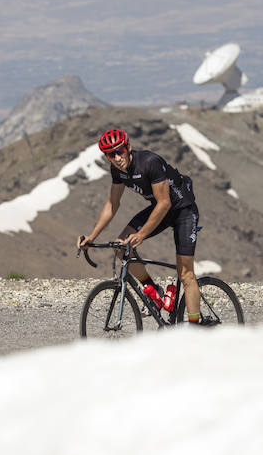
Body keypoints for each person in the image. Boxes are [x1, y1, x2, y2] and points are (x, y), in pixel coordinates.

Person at [78, 128, 207, 324]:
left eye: (119, 151)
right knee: (121, 247)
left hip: (183, 210)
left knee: (185, 274)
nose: (117, 158)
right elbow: (113, 204)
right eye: (110, 154)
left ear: (128, 147)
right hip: (160, 210)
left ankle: (195, 329)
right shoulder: (117, 171)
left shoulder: (149, 162)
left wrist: (142, 234)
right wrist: (92, 237)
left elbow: (165, 202)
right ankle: (154, 292)